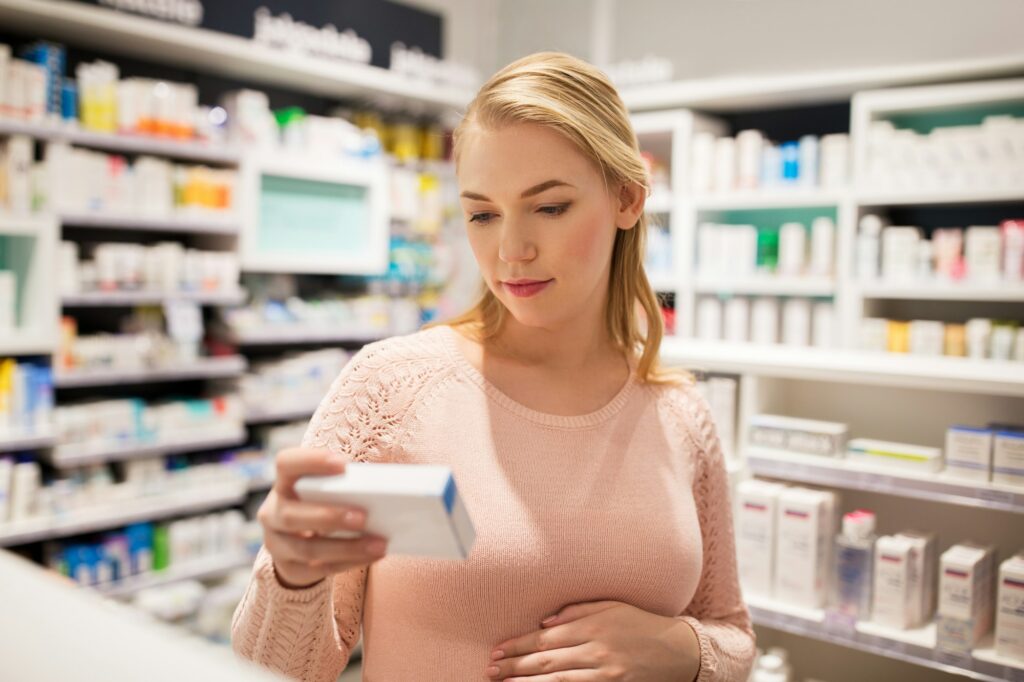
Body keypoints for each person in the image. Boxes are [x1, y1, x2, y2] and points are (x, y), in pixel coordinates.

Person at [231, 51, 755, 681]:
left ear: (627, 199)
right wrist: (291, 575)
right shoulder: (392, 390)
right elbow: (272, 670)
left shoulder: (681, 416)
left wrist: (683, 651)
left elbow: (733, 634)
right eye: (482, 214)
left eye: (550, 207)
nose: (511, 250)